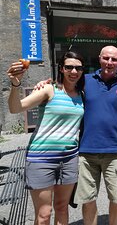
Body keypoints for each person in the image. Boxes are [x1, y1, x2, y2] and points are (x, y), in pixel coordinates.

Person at [7, 51, 85, 224]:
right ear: (61, 69)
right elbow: (15, 108)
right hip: (41, 159)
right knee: (44, 214)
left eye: (78, 68)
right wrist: (15, 84)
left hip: (69, 159)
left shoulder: (82, 95)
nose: (74, 71)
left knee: (62, 208)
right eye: (69, 67)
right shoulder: (49, 90)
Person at [73, 45, 117, 225]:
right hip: (87, 150)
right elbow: (64, 88)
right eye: (106, 58)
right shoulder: (85, 80)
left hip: (115, 150)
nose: (110, 63)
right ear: (99, 58)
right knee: (88, 198)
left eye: (114, 59)